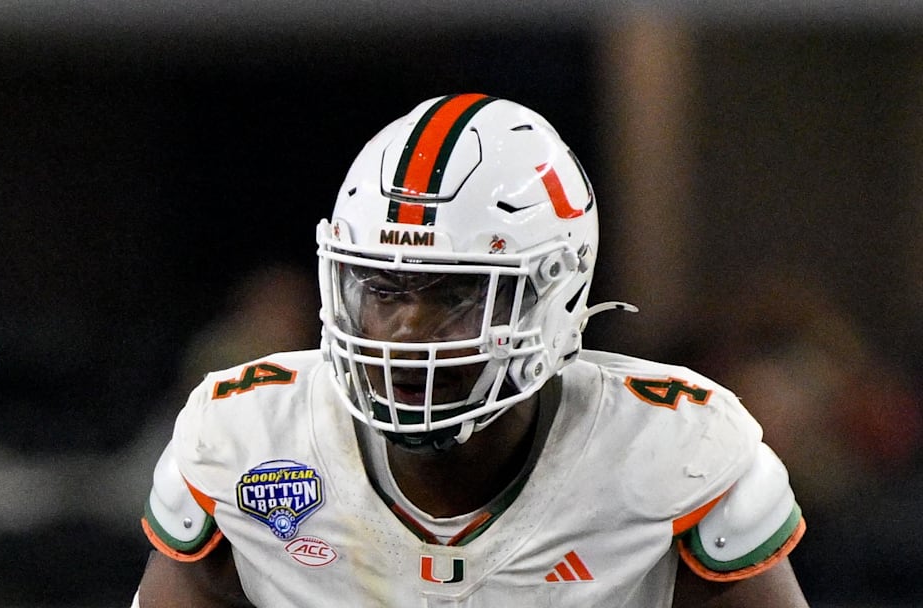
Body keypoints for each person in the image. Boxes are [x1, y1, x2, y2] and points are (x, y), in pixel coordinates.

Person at [131, 93, 809, 607]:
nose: (406, 329)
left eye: (455, 296)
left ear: (555, 294)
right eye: (383, 288)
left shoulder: (677, 454)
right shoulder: (247, 438)